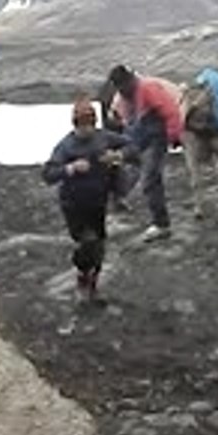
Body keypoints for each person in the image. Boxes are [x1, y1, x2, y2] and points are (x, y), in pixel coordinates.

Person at [42, 96, 138, 299]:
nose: (88, 130)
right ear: (75, 124)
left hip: (98, 202)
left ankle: (92, 284)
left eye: (91, 124)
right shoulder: (66, 146)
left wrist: (117, 155)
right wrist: (71, 168)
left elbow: (132, 145)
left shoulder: (103, 137)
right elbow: (48, 174)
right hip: (73, 204)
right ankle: (82, 274)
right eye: (83, 125)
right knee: (88, 242)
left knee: (99, 244)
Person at [108, 65, 183, 242]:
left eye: (123, 85)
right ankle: (118, 199)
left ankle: (162, 225)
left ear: (129, 80)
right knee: (120, 165)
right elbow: (123, 120)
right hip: (136, 137)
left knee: (150, 178)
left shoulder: (148, 88)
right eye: (118, 87)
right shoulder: (122, 97)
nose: (122, 90)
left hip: (156, 139)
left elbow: (170, 111)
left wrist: (174, 136)